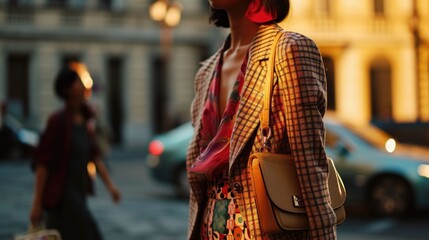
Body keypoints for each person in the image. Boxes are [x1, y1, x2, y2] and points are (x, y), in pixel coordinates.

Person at [186, 0, 337, 239]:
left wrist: (324, 234)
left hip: (264, 229)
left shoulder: (290, 50)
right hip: (209, 229)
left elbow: (310, 162)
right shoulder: (206, 72)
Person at [29, 62, 121, 240]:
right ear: (67, 89)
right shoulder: (57, 121)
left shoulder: (85, 121)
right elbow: (43, 164)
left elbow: (94, 157)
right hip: (61, 198)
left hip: (78, 194)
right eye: (78, 82)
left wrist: (111, 187)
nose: (84, 85)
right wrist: (36, 204)